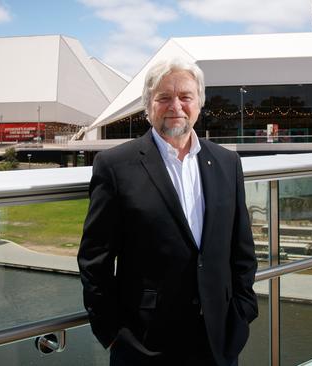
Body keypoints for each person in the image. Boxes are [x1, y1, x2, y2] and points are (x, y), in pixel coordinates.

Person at [78, 58, 258, 366]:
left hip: (218, 341)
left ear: (199, 103)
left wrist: (242, 312)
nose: (176, 105)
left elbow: (242, 250)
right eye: (164, 97)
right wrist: (112, 333)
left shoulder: (228, 164)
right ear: (148, 107)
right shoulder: (116, 166)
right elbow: (95, 261)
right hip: (145, 345)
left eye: (185, 96)